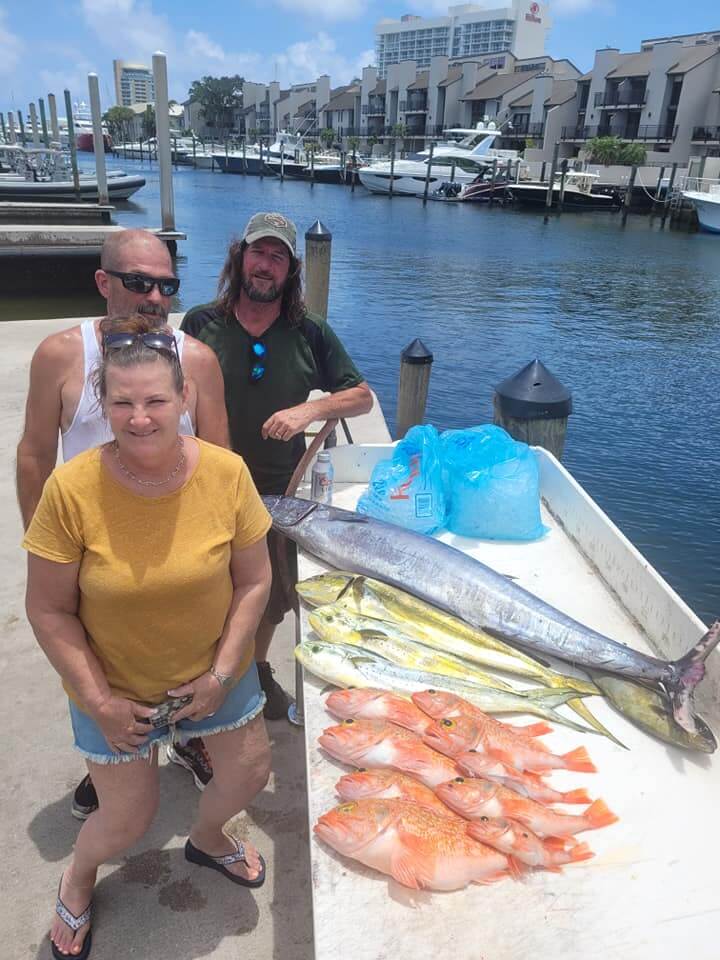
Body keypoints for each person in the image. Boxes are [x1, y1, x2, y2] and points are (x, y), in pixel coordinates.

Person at [23, 315, 273, 960]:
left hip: (216, 666)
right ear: (101, 405)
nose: (140, 417)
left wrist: (221, 676)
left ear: (184, 399)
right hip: (115, 682)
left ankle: (210, 836)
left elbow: (253, 581)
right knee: (126, 820)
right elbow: (49, 610)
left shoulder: (227, 473)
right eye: (123, 402)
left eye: (157, 400)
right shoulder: (70, 489)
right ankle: (78, 876)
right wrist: (99, 700)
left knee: (248, 773)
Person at [16, 229, 229, 819]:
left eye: (166, 285)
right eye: (138, 282)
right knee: (104, 673)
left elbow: (222, 459)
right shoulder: (61, 355)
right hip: (95, 552)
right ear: (104, 283)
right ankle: (113, 768)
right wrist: (45, 542)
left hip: (184, 554)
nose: (154, 297)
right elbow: (34, 452)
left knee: (188, 666)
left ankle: (187, 740)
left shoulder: (199, 361)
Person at [181, 212, 373, 718]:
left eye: (278, 257)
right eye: (258, 252)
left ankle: (256, 669)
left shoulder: (309, 332)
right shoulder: (201, 323)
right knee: (203, 592)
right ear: (239, 257)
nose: (265, 265)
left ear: (290, 271)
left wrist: (309, 409)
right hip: (203, 486)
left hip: (275, 493)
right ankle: (205, 681)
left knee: (266, 597)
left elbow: (360, 397)